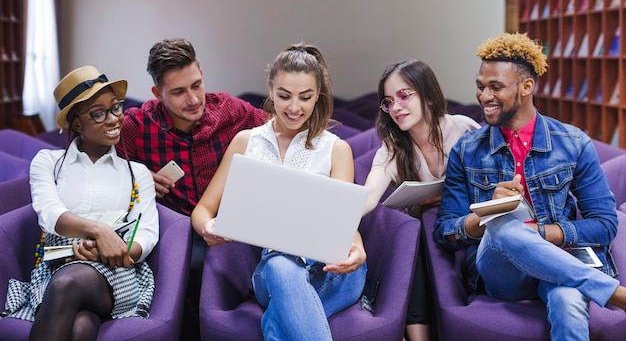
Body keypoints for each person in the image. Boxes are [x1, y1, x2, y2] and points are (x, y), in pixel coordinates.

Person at [434, 32, 626, 340]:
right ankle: (614, 294)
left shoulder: (573, 142)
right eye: (480, 86)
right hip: (503, 272)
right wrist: (487, 214)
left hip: (561, 259)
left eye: (496, 87)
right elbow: (445, 231)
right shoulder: (467, 149)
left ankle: (587, 285)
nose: (484, 96)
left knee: (568, 299)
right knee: (502, 226)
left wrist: (540, 234)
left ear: (526, 87)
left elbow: (605, 225)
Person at [191, 43, 367, 340]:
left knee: (278, 324)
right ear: (270, 90)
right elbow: (202, 210)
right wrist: (208, 226)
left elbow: (346, 227)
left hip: (332, 273)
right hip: (273, 271)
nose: (294, 107)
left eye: (305, 97)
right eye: (284, 96)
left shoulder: (336, 149)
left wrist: (358, 251)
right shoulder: (247, 142)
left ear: (319, 96)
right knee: (281, 267)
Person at [119, 38, 266, 339]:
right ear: (157, 93)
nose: (193, 99)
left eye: (196, 85)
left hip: (230, 225)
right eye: (178, 92)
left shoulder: (230, 110)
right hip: (174, 234)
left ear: (201, 73)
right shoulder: (136, 125)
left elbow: (281, 130)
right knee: (191, 268)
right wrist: (137, 174)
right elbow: (86, 160)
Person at [1, 66, 159, 341]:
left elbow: (146, 234)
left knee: (66, 285)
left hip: (116, 269)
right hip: (55, 265)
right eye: (99, 113)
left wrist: (107, 250)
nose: (113, 120)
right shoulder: (48, 162)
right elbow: (49, 213)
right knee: (81, 326)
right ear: (76, 124)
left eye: (116, 108)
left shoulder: (137, 172)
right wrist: (99, 231)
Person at [363, 59, 479, 341]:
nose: (396, 108)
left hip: (468, 227)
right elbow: (368, 197)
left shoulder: (463, 129)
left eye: (404, 96)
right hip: (421, 243)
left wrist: (442, 196)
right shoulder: (393, 147)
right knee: (414, 229)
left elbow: (490, 181)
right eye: (388, 102)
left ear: (427, 94)